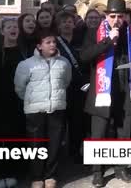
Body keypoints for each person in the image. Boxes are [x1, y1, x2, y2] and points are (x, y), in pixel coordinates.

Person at [81, 0, 131, 187]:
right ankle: (98, 171)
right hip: (103, 88)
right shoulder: (94, 32)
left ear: (125, 17)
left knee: (124, 131)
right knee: (98, 132)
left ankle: (121, 167)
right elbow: (84, 56)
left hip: (125, 87)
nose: (116, 19)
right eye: (113, 16)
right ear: (106, 16)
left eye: (120, 16)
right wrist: (108, 40)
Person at [14, 30, 71, 188]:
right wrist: (33, 100)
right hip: (35, 110)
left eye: (54, 42)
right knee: (35, 144)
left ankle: (50, 175)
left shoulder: (64, 62)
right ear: (39, 46)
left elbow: (66, 81)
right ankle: (36, 176)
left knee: (54, 143)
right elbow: (20, 87)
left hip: (57, 108)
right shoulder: (27, 64)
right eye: (48, 42)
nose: (52, 45)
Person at [0, 19, 29, 187]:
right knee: (0, 138)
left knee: (18, 136)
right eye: (9, 27)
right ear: (2, 31)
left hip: (20, 101)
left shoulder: (24, 50)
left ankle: (16, 170)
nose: (13, 29)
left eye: (15, 27)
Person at [56, 12, 87, 163]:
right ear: (59, 26)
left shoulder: (80, 40)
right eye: (64, 22)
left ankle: (75, 152)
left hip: (79, 88)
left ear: (74, 24)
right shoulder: (55, 43)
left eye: (70, 22)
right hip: (62, 88)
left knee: (77, 121)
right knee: (61, 122)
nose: (67, 24)